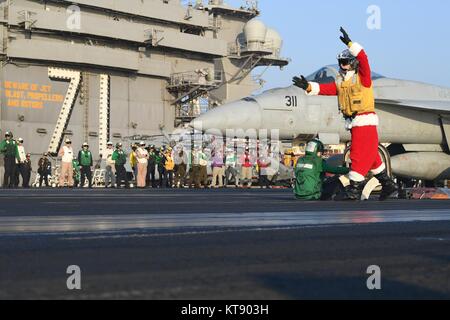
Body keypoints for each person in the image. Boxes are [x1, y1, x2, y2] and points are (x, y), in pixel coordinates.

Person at [293, 27, 397, 201]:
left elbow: (363, 58)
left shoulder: (362, 78)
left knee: (357, 153)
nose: (342, 65)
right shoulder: (341, 83)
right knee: (371, 157)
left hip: (364, 121)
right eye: (341, 62)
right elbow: (326, 89)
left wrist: (351, 44)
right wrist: (308, 86)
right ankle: (388, 185)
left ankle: (354, 190)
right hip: (354, 122)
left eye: (346, 62)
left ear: (353, 63)